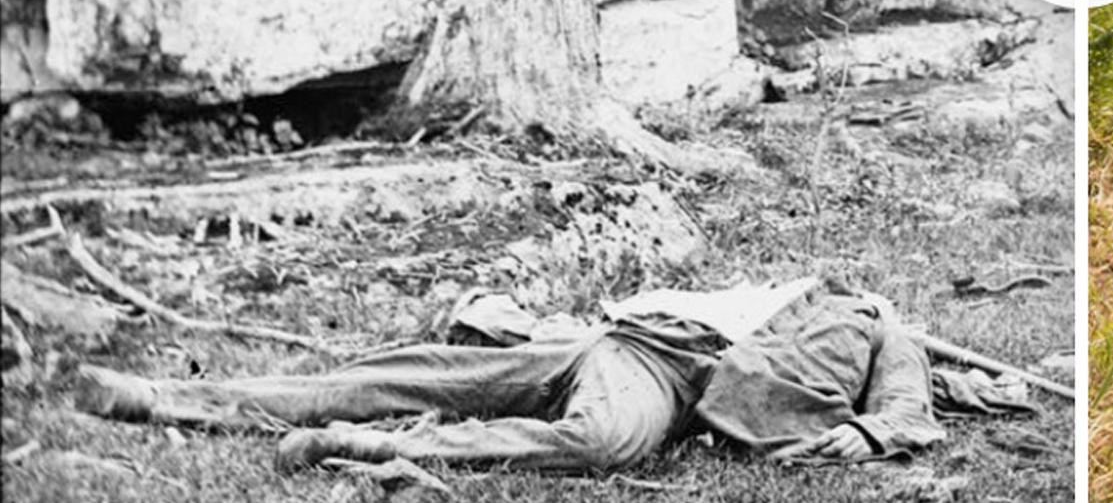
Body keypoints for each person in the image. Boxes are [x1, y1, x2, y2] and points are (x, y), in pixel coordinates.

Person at [75, 278, 965, 472]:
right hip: (621, 335)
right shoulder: (783, 287)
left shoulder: (882, 321)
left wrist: (873, 431)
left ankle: (364, 444)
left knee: (605, 440)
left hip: (670, 381)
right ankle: (162, 398)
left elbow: (901, 399)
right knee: (413, 369)